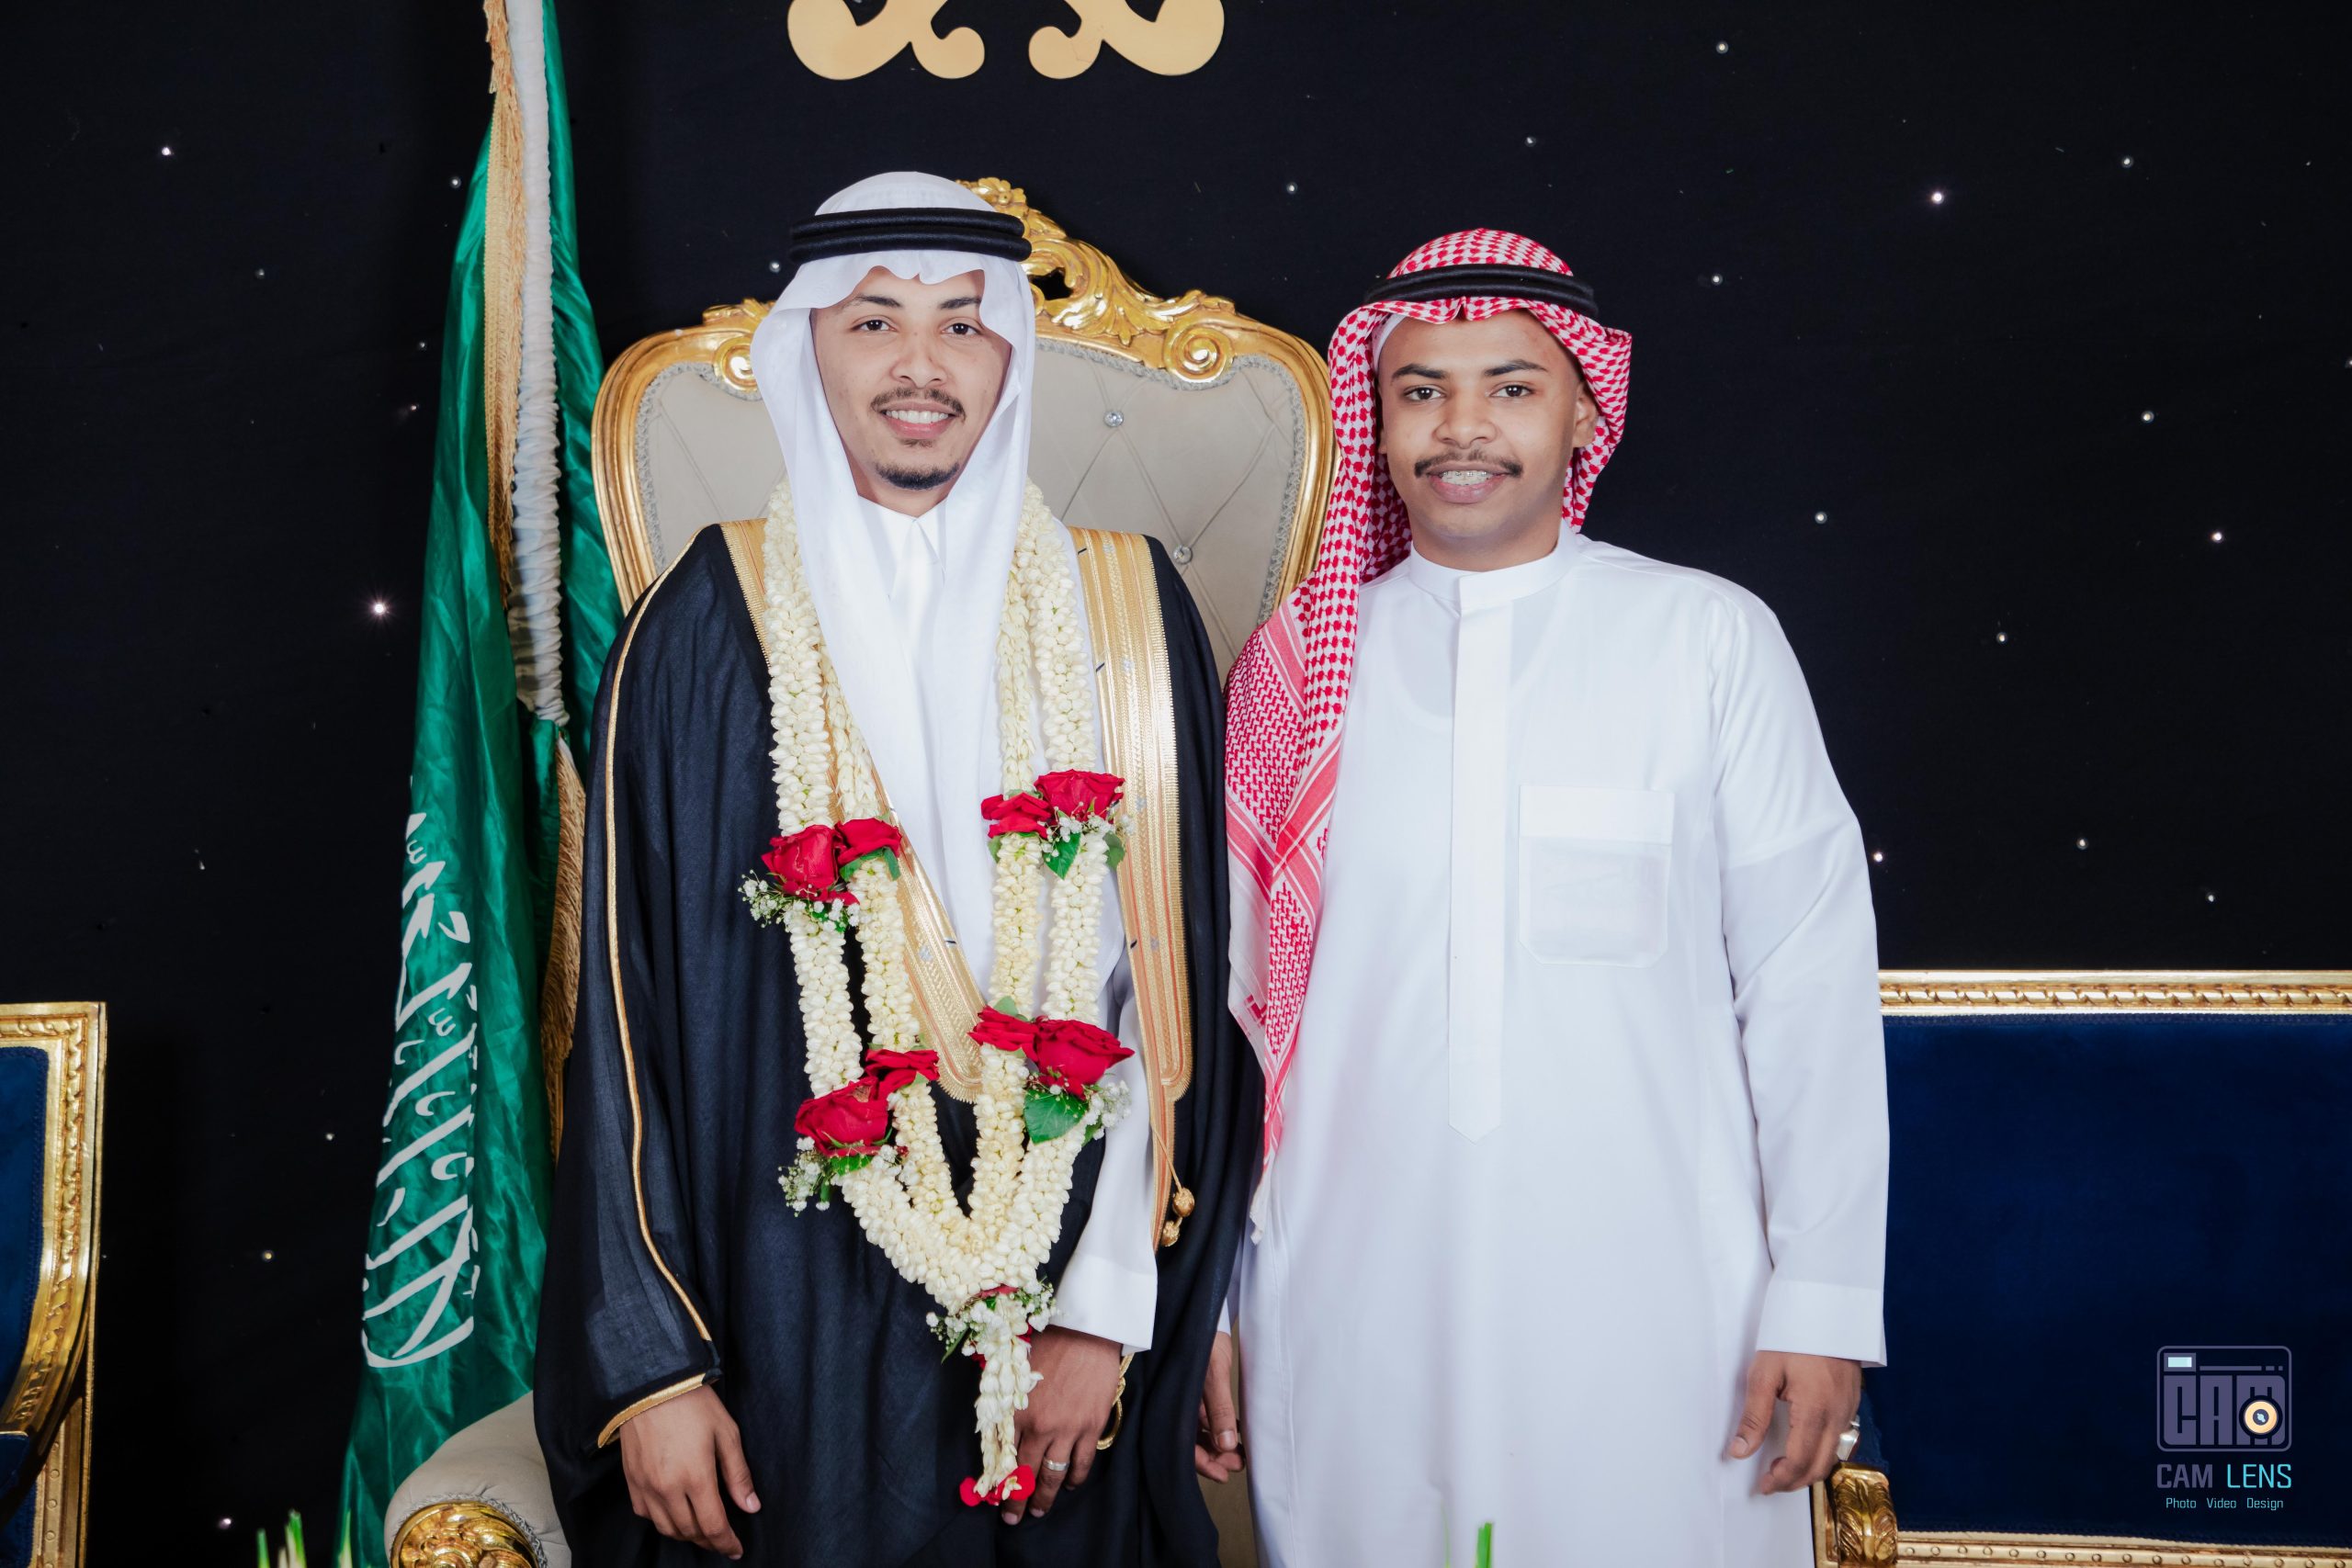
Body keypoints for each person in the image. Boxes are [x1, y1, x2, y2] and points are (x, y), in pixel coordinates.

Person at [535, 171, 1257, 1566]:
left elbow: (1176, 1000)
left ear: (1010, 358)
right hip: (776, 1295)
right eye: (874, 322)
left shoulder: (1125, 604)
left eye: (962, 325)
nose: (921, 366)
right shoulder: (705, 618)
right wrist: (653, 1367)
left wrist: (1108, 1311)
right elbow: (622, 1017)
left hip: (1061, 1298)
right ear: (807, 347)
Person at [1212, 230, 1890, 1566]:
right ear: (1377, 416)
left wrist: (1821, 1297)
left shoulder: (1706, 639)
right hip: (1348, 1286)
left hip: (1660, 1299)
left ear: (1584, 409)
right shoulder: (1297, 669)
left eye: (1512, 388)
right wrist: (1213, 1309)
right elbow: (1231, 1015)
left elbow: (1807, 982)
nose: (1462, 428)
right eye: (1420, 391)